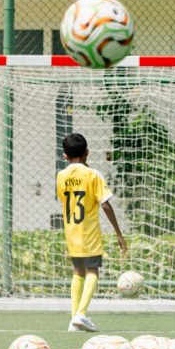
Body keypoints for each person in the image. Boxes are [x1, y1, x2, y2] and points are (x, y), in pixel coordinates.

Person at [55, 133, 128, 332]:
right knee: (92, 271)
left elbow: (63, 199)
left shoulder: (61, 176)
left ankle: (74, 318)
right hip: (89, 232)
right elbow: (105, 205)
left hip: (71, 232)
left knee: (77, 272)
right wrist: (119, 234)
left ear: (64, 156)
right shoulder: (93, 175)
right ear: (87, 152)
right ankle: (81, 314)